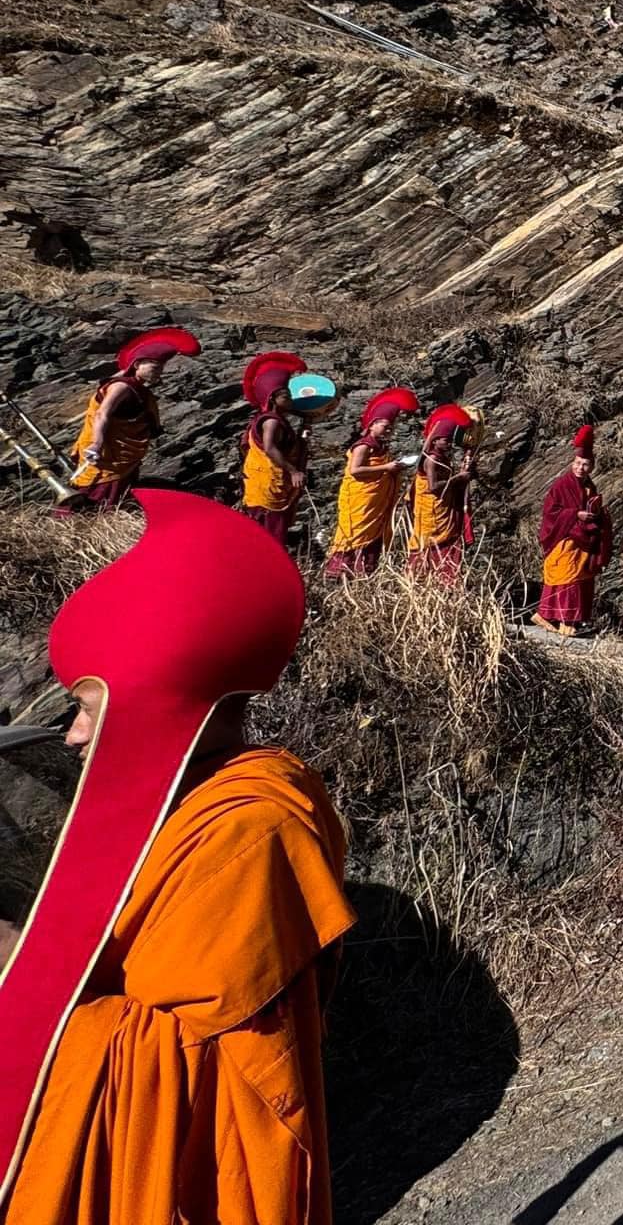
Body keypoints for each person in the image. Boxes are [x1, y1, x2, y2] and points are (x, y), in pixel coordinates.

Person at [0, 490, 353, 1225]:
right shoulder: (178, 803)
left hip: (193, 1184)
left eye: (88, 706)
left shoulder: (253, 829)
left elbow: (175, 1066)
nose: (71, 736)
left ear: (153, 697)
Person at [62, 326, 198, 512]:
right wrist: (97, 443)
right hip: (107, 456)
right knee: (95, 494)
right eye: (155, 367)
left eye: (161, 368)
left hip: (124, 458)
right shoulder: (122, 388)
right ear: (137, 365)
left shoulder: (136, 386)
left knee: (119, 494)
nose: (159, 373)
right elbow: (103, 413)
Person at [324, 386, 419, 577]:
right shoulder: (363, 446)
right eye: (385, 426)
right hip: (360, 501)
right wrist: (386, 468)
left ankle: (363, 573)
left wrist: (395, 468)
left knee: (373, 537)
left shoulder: (380, 447)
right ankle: (340, 572)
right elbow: (356, 471)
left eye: (391, 427)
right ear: (373, 424)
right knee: (354, 534)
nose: (388, 430)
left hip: (375, 503)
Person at [535, 425, 611, 636]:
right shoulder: (562, 485)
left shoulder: (590, 486)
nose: (581, 468)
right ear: (572, 463)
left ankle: (569, 620)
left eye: (585, 464)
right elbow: (551, 512)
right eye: (578, 463)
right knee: (565, 579)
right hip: (565, 538)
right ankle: (557, 617)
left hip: (581, 540)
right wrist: (576, 515)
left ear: (592, 466)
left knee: (577, 579)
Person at [238, 352, 310, 545]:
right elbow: (270, 449)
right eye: (286, 396)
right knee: (269, 533)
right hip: (268, 485)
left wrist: (302, 436)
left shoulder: (276, 420)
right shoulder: (271, 422)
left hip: (269, 483)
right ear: (272, 399)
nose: (291, 400)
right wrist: (293, 471)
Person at [408, 403, 475, 583]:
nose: (449, 444)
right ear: (436, 440)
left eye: (450, 441)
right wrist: (458, 479)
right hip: (432, 512)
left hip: (442, 508)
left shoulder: (442, 457)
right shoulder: (431, 460)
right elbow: (433, 487)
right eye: (446, 440)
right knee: (430, 544)